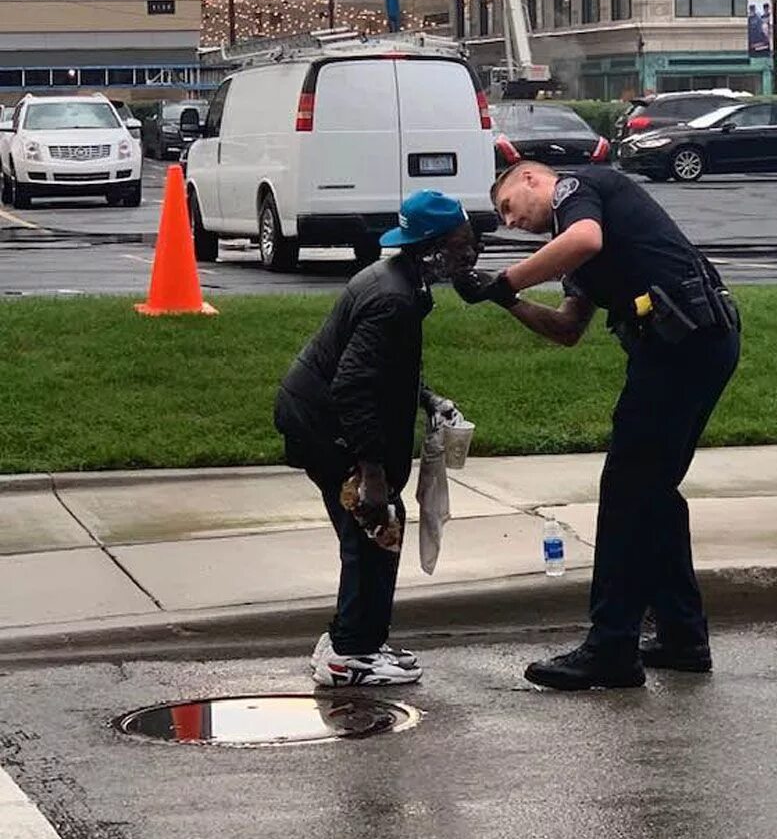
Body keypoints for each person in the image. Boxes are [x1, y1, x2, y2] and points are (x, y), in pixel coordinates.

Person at [454, 162, 740, 692]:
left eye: (508, 208)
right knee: (652, 494)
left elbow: (585, 238)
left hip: (684, 344)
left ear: (532, 181)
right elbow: (566, 329)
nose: (511, 223)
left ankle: (611, 648)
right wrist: (506, 300)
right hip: (689, 343)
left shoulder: (576, 191)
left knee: (628, 492)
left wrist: (506, 278)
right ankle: (682, 637)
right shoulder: (578, 254)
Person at [274, 190, 478, 688]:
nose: (470, 253)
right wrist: (370, 472)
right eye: (462, 244)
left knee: (376, 529)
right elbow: (352, 384)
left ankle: (357, 638)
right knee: (374, 524)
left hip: (320, 416)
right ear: (432, 246)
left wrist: (426, 398)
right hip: (326, 427)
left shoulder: (400, 280)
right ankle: (349, 654)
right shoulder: (393, 298)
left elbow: (382, 366)